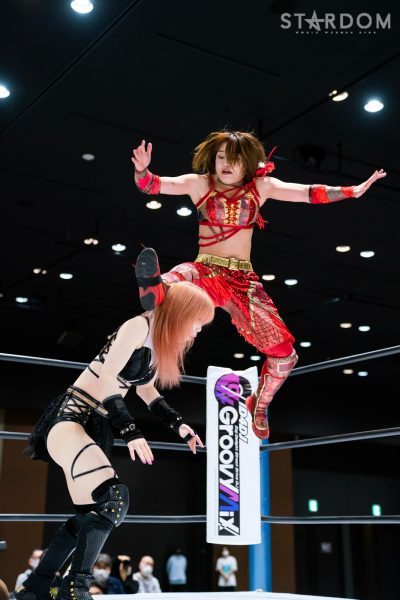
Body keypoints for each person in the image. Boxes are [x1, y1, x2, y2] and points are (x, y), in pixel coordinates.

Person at [131, 131, 386, 439]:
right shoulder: (200, 184)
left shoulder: (261, 188)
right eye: (221, 157)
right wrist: (142, 170)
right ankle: (157, 288)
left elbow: (306, 192)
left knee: (285, 355)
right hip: (208, 270)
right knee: (181, 276)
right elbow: (154, 185)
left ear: (248, 162)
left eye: (234, 158)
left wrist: (350, 191)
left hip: (244, 282)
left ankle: (260, 403)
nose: (226, 164)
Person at [14, 280, 214, 600]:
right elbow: (108, 376)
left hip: (95, 425)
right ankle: (75, 588)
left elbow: (146, 390)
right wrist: (130, 431)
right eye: (197, 322)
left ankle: (36, 586)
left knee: (88, 516)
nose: (198, 331)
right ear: (181, 313)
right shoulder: (138, 326)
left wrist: (178, 425)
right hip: (72, 418)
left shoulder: (155, 345)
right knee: (114, 498)